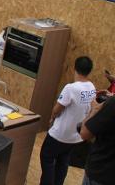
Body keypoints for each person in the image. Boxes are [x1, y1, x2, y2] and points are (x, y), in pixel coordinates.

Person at [40, 56, 96, 185]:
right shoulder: (91, 87)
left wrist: (52, 118)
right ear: (89, 71)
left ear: (75, 68)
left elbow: (57, 109)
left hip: (60, 134)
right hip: (75, 136)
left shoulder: (71, 88)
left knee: (46, 158)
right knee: (63, 161)